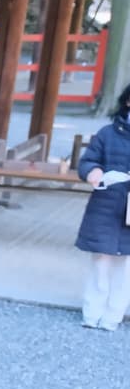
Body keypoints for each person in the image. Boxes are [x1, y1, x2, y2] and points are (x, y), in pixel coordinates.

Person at [73, 82, 130, 331]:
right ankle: (92, 312)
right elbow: (88, 161)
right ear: (127, 102)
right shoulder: (108, 133)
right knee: (100, 262)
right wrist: (93, 171)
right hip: (106, 205)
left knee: (125, 268)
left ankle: (113, 316)